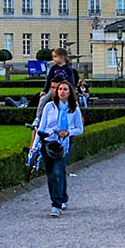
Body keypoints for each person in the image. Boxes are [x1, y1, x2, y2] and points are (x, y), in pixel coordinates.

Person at [35, 78, 84, 216]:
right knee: (52, 174)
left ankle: (56, 205)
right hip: (48, 142)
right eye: (60, 89)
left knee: (57, 171)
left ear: (70, 92)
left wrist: (68, 132)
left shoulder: (74, 108)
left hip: (63, 144)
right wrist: (34, 146)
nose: (62, 92)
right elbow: (42, 127)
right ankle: (61, 198)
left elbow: (80, 128)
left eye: (65, 89)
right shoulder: (49, 107)